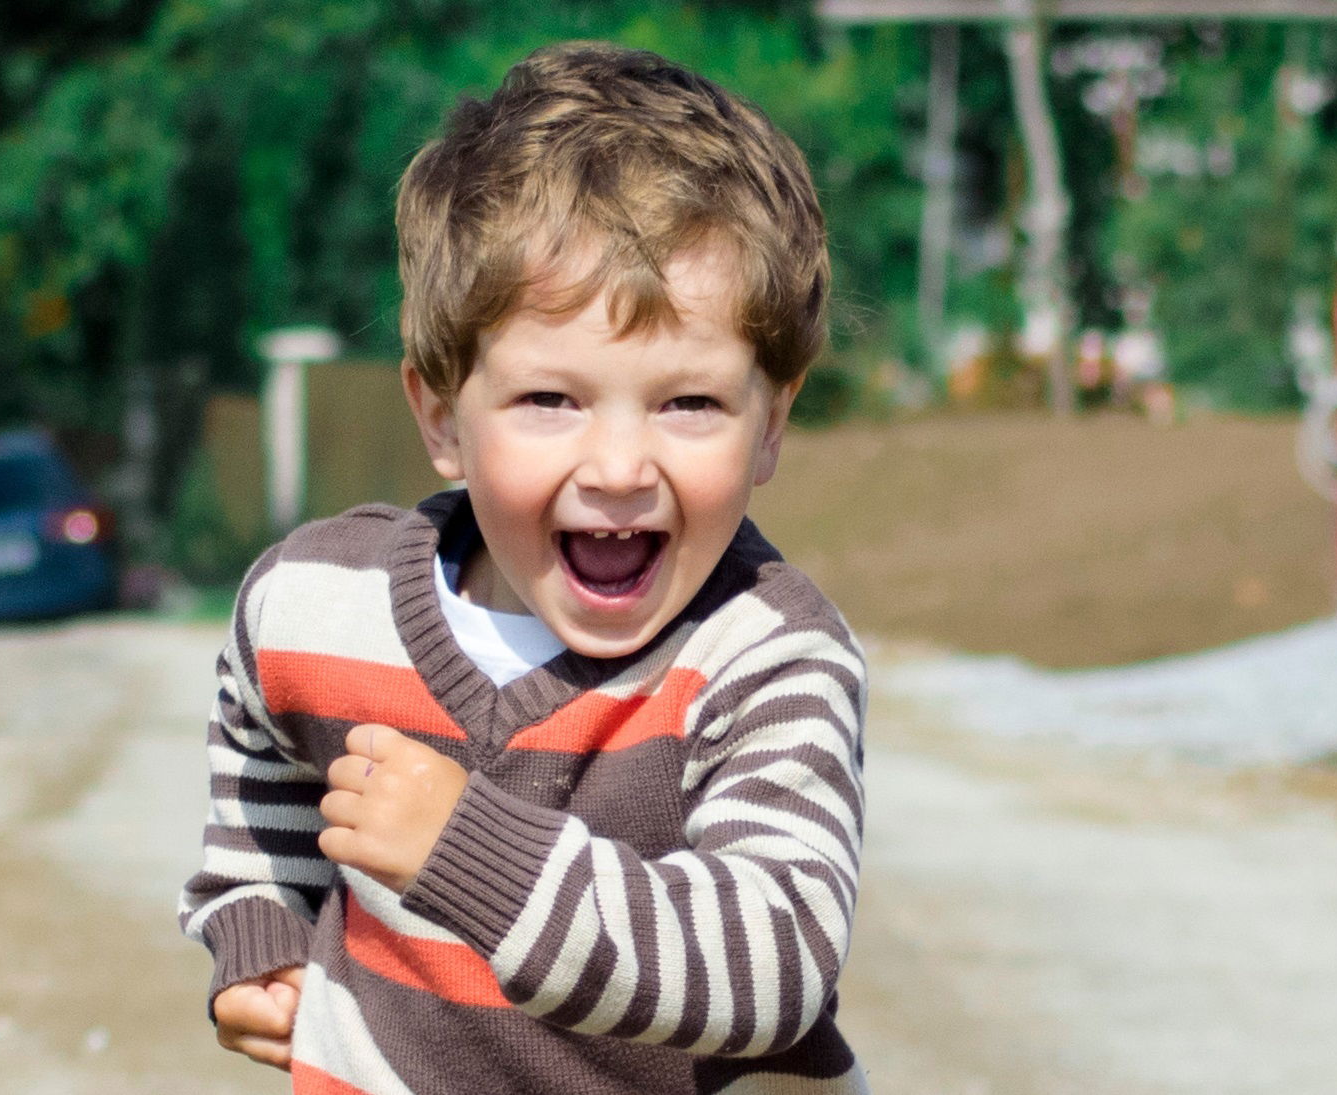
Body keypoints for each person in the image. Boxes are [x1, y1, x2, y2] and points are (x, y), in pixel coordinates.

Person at [179, 40, 869, 1095]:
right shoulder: (317, 605)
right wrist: (260, 923)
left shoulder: (765, 658)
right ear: (440, 418)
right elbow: (260, 740)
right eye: (551, 400)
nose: (621, 466)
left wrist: (468, 852)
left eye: (689, 404)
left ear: (770, 425)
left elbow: (772, 965)